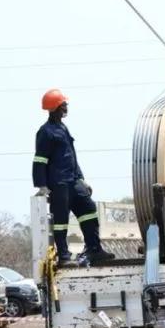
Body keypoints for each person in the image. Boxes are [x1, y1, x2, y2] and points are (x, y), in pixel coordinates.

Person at [32, 89, 115, 268]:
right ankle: (63, 256)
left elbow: (71, 157)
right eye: (63, 105)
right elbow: (39, 160)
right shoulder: (45, 132)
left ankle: (94, 250)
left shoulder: (63, 128)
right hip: (59, 184)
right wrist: (42, 185)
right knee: (61, 221)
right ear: (56, 107)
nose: (66, 108)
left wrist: (82, 179)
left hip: (73, 181)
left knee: (89, 209)